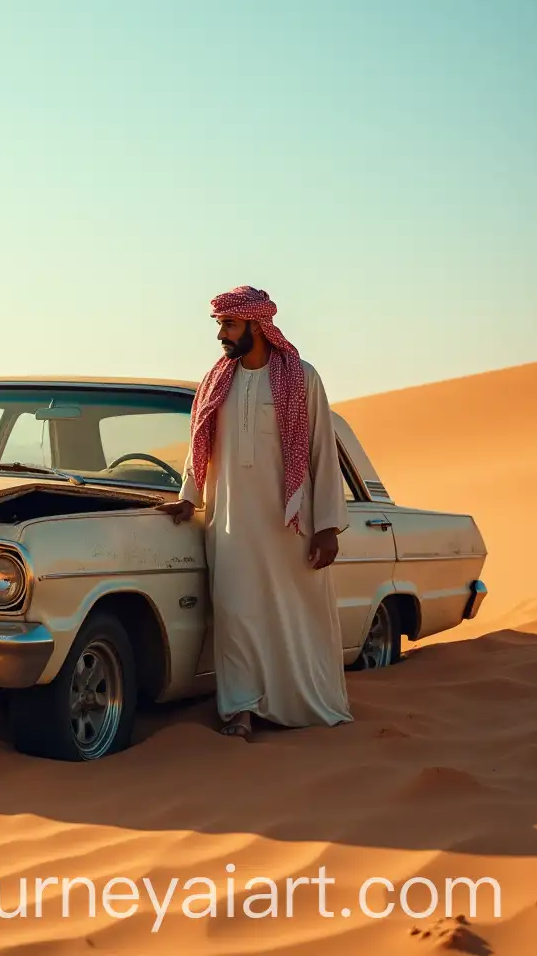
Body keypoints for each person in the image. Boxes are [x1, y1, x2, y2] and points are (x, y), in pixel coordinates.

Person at [157, 285, 352, 740]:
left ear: (256, 325)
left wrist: (327, 526)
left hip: (290, 525)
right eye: (220, 325)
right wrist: (189, 495)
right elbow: (200, 446)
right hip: (230, 523)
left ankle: (301, 704)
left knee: (293, 616)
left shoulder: (301, 377)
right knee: (236, 613)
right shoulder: (215, 381)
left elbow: (322, 450)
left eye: (229, 324)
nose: (222, 334)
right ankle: (241, 710)